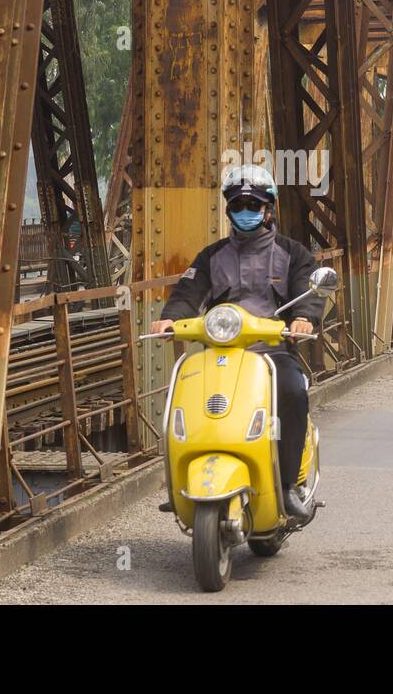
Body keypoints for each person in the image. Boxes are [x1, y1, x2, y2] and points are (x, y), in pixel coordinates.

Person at [151, 164, 322, 521]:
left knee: (293, 392)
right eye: (237, 205)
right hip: (222, 350)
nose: (245, 212)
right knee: (184, 394)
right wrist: (171, 318)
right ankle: (179, 481)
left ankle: (288, 484)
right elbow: (188, 291)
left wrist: (303, 318)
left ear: (268, 209)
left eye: (254, 205)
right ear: (228, 210)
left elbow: (308, 290)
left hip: (272, 350)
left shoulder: (294, 254)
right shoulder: (211, 256)